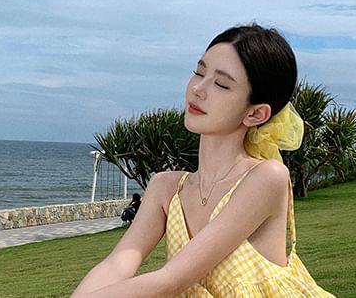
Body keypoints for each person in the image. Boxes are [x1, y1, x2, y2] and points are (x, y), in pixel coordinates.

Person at [72, 24, 336, 297]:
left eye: (221, 84)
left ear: (255, 114)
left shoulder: (267, 177)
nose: (198, 88)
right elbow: (117, 264)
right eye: (199, 72)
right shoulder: (165, 187)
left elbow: (171, 281)